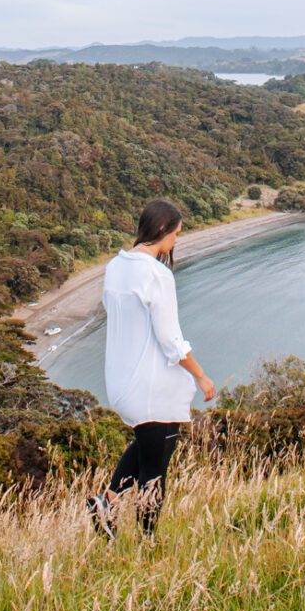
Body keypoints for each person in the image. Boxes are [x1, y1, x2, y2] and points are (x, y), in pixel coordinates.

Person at [87, 199, 216, 539]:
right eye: (176, 234)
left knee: (147, 446)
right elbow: (170, 338)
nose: (176, 241)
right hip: (151, 386)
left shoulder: (116, 266)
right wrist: (200, 375)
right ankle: (147, 542)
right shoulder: (157, 274)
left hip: (122, 381)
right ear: (162, 231)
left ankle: (106, 502)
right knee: (155, 470)